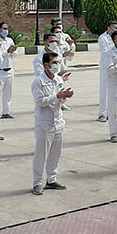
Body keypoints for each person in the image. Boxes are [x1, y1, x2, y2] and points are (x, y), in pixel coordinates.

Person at [31, 51, 72, 195]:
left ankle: (52, 179)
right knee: (41, 154)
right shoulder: (39, 82)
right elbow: (39, 102)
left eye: (58, 62)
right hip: (44, 122)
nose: (57, 65)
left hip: (58, 120)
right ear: (46, 65)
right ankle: (37, 183)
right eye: (54, 63)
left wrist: (64, 96)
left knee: (56, 153)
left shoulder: (58, 80)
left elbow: (60, 101)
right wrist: (57, 96)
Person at [0, 22, 19, 119]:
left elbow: (16, 54)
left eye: (7, 28)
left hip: (10, 69)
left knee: (8, 93)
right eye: (4, 28)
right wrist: (7, 52)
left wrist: (13, 51)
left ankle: (6, 112)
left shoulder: (10, 40)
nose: (6, 30)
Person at [96, 21, 117, 122]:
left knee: (115, 91)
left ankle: (113, 114)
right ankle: (102, 113)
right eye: (115, 28)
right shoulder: (103, 38)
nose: (116, 30)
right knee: (104, 91)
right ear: (109, 28)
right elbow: (106, 52)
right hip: (106, 67)